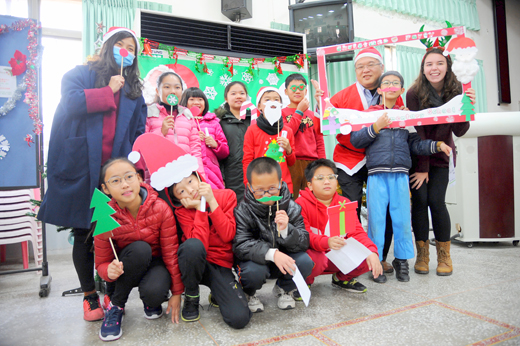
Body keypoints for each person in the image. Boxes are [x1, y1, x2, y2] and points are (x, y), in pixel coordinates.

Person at [37, 27, 147, 322]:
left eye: (131, 48)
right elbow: (70, 103)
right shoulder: (79, 74)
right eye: (120, 45)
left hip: (116, 172)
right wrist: (107, 90)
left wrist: (136, 164)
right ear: (108, 46)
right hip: (83, 167)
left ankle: (110, 289)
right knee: (85, 233)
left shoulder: (134, 89)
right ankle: (89, 295)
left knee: (111, 230)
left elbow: (138, 131)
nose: (125, 51)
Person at [350, 71, 452, 282]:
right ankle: (376, 262)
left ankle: (402, 260)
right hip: (376, 177)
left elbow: (416, 144)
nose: (390, 85)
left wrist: (437, 145)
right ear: (379, 89)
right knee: (376, 221)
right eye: (385, 82)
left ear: (401, 90)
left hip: (401, 177)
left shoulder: (406, 116)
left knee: (402, 220)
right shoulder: (369, 114)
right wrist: (375, 127)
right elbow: (356, 140)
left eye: (395, 82)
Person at [95, 158, 183, 341]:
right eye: (116, 181)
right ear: (105, 189)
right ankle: (116, 306)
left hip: (154, 262)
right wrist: (108, 272)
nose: (125, 185)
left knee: (154, 294)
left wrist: (176, 292)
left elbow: (170, 253)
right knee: (140, 249)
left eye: (129, 177)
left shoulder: (160, 208)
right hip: (125, 266)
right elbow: (101, 263)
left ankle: (150, 301)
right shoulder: (104, 217)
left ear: (139, 178)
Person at [407, 48, 476, 276]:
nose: (434, 68)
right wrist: (422, 168)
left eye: (439, 63)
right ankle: (422, 255)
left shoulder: (457, 91)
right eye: (429, 64)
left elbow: (460, 130)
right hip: (419, 155)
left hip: (443, 155)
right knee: (420, 202)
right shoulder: (414, 93)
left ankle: (444, 256)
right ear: (423, 68)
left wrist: (466, 108)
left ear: (448, 66)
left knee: (436, 202)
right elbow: (418, 132)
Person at [161, 172, 251, 329]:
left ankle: (218, 293)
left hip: (220, 265)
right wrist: (200, 209)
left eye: (190, 181)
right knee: (192, 246)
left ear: (199, 178)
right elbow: (199, 244)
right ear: (178, 200)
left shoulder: (226, 196)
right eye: (181, 191)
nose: (189, 190)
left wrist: (210, 201)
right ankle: (191, 295)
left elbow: (228, 235)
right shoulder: (182, 211)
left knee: (239, 318)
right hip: (195, 265)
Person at [233, 157, 313, 312]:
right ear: (250, 187)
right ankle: (249, 293)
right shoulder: (242, 210)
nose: (267, 194)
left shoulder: (291, 207)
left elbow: (304, 241)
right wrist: (272, 254)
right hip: (255, 263)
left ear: (280, 182)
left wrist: (286, 230)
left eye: (272, 189)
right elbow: (241, 245)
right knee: (252, 273)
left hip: (283, 262)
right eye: (260, 190)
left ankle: (284, 288)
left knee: (305, 261)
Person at [295, 159, 382, 292]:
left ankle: (342, 278)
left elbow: (356, 232)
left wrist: (371, 251)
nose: (327, 181)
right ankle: (305, 281)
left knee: (367, 255)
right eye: (320, 178)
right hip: (315, 254)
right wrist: (326, 242)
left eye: (331, 177)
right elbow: (304, 236)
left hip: (335, 253)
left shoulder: (344, 203)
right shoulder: (301, 204)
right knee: (316, 260)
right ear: (310, 185)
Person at [145, 71, 205, 177]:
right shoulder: (148, 113)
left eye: (177, 87)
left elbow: (195, 149)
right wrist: (161, 131)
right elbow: (143, 147)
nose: (173, 91)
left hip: (185, 174)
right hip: (158, 173)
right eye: (167, 87)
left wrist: (200, 176)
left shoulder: (187, 114)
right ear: (157, 91)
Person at [242, 87, 296, 194]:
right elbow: (247, 160)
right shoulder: (252, 130)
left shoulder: (287, 131)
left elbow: (292, 162)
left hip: (283, 185)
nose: (272, 103)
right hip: (260, 187)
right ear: (259, 106)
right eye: (267, 99)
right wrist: (249, 183)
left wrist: (289, 150)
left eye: (276, 99)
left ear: (281, 104)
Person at [282, 73, 326, 198]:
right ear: (286, 91)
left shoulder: (312, 114)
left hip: (312, 162)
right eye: (293, 88)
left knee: (312, 198)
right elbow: (287, 133)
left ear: (306, 91)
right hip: (291, 162)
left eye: (301, 88)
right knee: (292, 199)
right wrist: (299, 111)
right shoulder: (282, 113)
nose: (298, 91)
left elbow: (319, 139)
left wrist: (322, 162)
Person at [180, 87, 229, 189]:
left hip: (212, 173)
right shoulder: (182, 121)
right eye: (192, 99)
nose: (197, 102)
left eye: (200, 99)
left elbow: (225, 152)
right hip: (190, 172)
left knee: (214, 199)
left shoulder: (214, 122)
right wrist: (194, 138)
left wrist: (215, 144)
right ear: (185, 102)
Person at [217, 81, 250, 202]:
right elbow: (217, 152)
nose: (238, 96)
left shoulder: (255, 119)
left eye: (242, 93)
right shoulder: (219, 121)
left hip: (253, 172)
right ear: (226, 98)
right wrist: (222, 177)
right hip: (230, 174)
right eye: (233, 93)